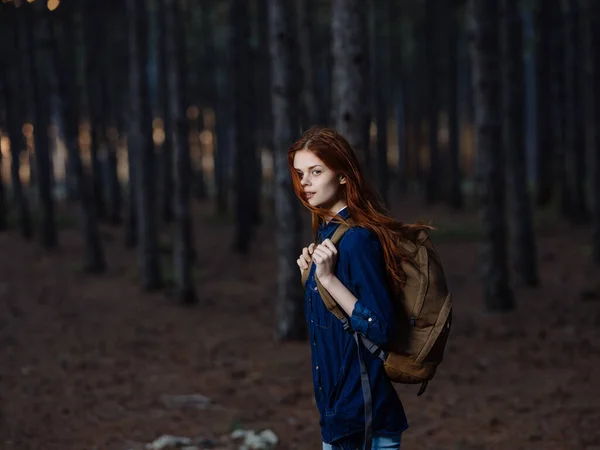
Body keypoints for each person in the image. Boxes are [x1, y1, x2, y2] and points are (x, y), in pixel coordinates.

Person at [289, 127, 431, 450]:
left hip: (363, 418)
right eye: (300, 173)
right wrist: (310, 279)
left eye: (316, 171)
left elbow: (381, 328)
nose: (305, 182)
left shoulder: (357, 240)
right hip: (340, 417)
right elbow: (334, 329)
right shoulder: (329, 234)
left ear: (342, 176)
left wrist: (327, 280)